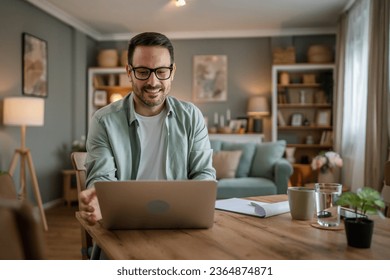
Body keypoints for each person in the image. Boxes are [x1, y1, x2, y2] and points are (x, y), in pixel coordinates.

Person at [79, 32, 216, 225]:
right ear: (129, 72)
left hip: (180, 223)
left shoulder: (191, 116)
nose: (153, 82)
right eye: (143, 72)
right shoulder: (103, 121)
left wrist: (196, 204)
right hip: (125, 223)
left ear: (172, 72)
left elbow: (203, 173)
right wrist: (99, 199)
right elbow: (102, 178)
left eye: (161, 71)